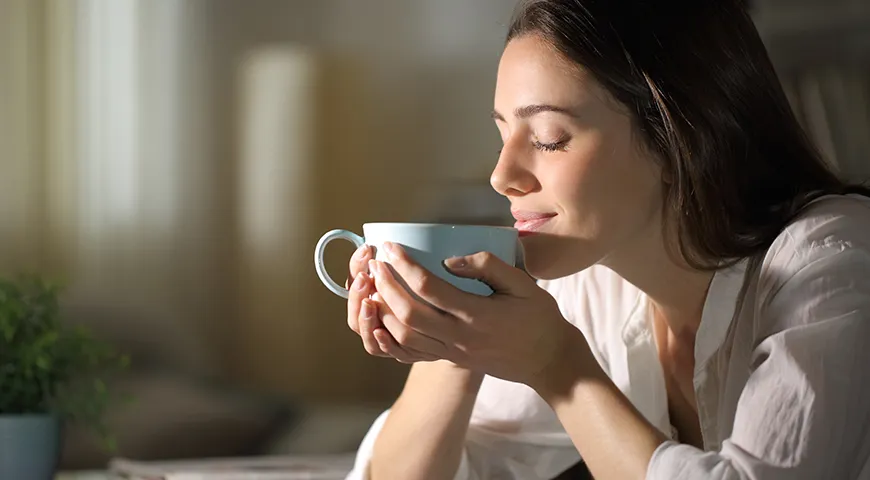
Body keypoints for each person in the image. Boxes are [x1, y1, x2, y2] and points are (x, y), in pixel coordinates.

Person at [344, 0, 870, 478]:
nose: (502, 176)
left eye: (549, 139)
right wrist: (456, 343)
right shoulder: (591, 282)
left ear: (677, 139)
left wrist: (559, 369)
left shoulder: (832, 260)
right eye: (503, 135)